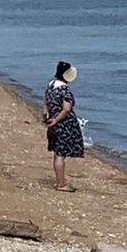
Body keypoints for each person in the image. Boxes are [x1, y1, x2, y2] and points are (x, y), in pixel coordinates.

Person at [44, 61, 84, 193]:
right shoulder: (64, 89)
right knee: (61, 155)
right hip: (63, 124)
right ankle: (61, 183)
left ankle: (60, 180)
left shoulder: (51, 85)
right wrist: (56, 120)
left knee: (57, 153)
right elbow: (67, 109)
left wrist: (47, 117)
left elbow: (46, 103)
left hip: (53, 123)